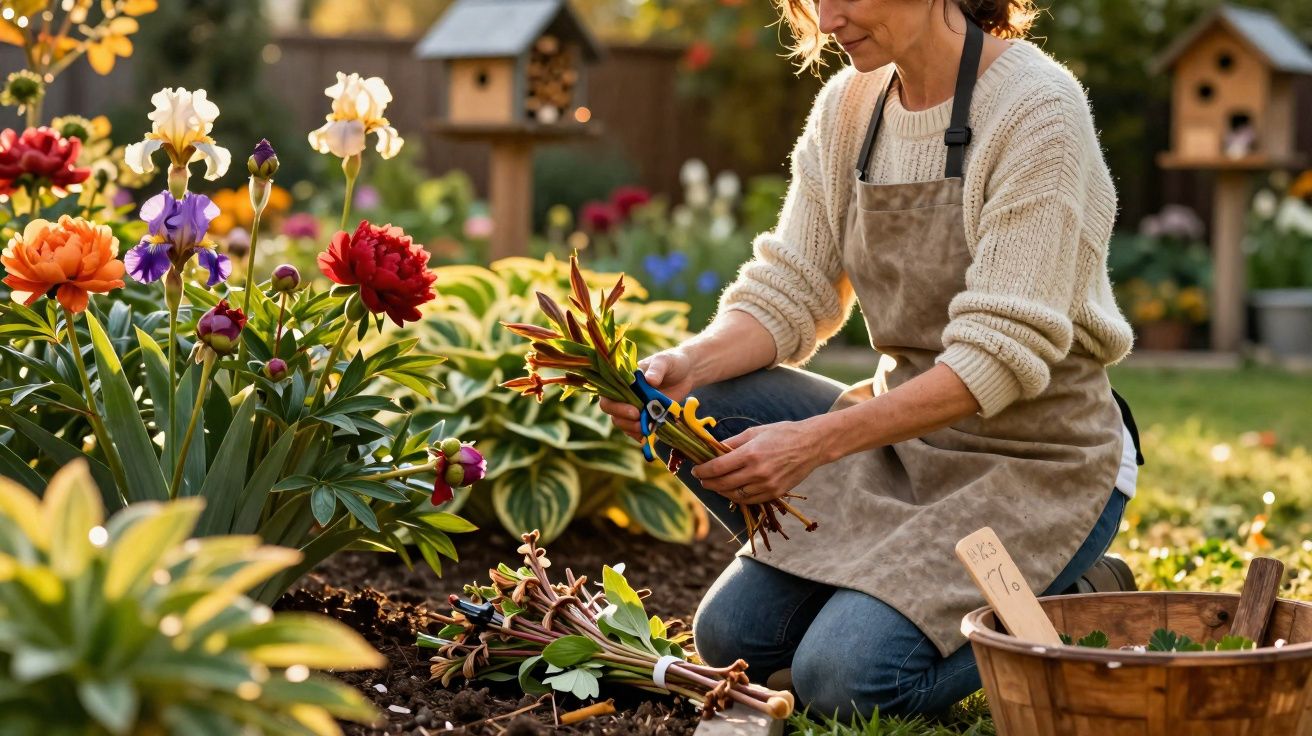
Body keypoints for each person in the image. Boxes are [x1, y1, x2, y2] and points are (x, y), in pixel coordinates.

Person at [599, 0, 1145, 720]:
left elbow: (998, 355)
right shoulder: (852, 106)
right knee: (731, 636)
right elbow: (791, 289)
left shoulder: (1038, 109)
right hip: (905, 447)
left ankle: (1071, 591)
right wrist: (687, 365)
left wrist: (814, 443)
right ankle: (879, 585)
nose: (827, 20)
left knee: (847, 682)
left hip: (1037, 462)